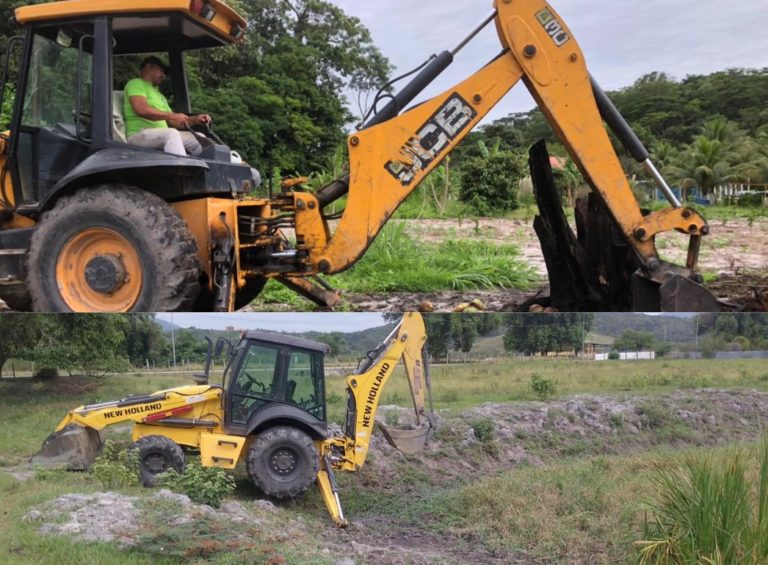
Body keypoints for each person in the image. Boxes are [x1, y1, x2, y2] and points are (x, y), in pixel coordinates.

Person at [123, 56, 211, 156]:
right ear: (149, 67)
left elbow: (174, 122)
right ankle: (181, 169)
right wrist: (171, 115)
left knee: (199, 138)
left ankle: (208, 169)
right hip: (139, 134)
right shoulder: (136, 83)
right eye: (161, 71)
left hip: (161, 134)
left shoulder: (160, 96)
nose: (163, 76)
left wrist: (195, 119)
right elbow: (141, 109)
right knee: (171, 134)